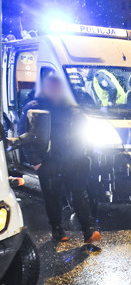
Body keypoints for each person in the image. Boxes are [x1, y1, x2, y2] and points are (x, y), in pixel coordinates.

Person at [11, 73, 101, 244]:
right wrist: (36, 162)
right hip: (49, 161)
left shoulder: (71, 107)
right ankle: (57, 230)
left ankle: (88, 231)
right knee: (53, 197)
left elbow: (83, 130)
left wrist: (84, 151)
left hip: (73, 159)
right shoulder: (34, 106)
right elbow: (26, 136)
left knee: (79, 193)